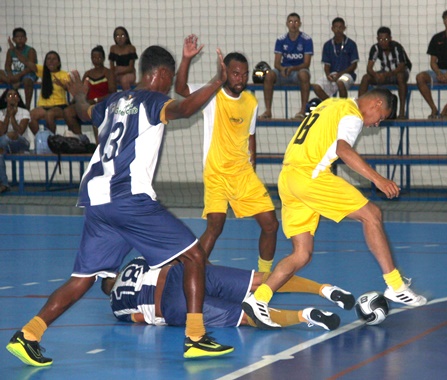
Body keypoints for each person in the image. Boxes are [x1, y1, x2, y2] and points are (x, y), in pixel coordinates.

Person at [5, 36, 235, 367]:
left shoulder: (114, 101)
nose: (169, 87)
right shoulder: (152, 101)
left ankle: (29, 334)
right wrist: (217, 80)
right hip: (128, 198)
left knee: (82, 279)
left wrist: (80, 93)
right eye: (169, 80)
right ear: (159, 75)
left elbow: (85, 112)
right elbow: (184, 108)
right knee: (195, 256)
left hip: (96, 200)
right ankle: (196, 337)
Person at [241, 88, 427, 329]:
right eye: (380, 118)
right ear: (377, 103)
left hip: (288, 178)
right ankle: (396, 286)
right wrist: (379, 180)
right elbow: (343, 150)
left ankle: (259, 299)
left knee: (302, 254)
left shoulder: (330, 104)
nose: (375, 124)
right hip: (311, 176)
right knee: (372, 215)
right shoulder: (352, 114)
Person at [175, 44, 278, 273]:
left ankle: (265, 275)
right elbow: (180, 88)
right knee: (215, 226)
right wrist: (186, 58)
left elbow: (251, 136)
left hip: (243, 174)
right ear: (225, 73)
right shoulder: (211, 95)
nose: (240, 78)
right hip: (217, 174)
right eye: (235, 73)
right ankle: (190, 274)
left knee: (271, 225)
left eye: (244, 73)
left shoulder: (251, 102)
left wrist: (253, 166)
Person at [103, 256, 356, 331]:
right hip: (184, 275)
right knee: (259, 280)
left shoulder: (116, 305)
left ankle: (305, 316)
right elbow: (172, 258)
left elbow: (141, 319)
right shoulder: (133, 263)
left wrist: (164, 319)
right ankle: (325, 289)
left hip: (171, 305)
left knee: (246, 317)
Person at [259, 12, 313, 120]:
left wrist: (293, 68)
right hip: (283, 72)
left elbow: (306, 64)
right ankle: (268, 111)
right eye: (291, 21)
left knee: (304, 75)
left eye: (296, 22)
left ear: (300, 24)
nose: (293, 24)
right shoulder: (281, 39)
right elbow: (276, 63)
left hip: (298, 71)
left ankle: (302, 111)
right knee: (269, 75)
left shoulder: (307, 40)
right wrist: (282, 69)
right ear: (287, 24)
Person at [63, 45, 117, 140]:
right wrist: (76, 100)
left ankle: (99, 147)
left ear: (103, 58)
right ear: (91, 59)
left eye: (99, 57)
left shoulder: (108, 73)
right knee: (68, 111)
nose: (96, 59)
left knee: (95, 113)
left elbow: (113, 93)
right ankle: (81, 139)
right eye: (94, 57)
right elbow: (81, 91)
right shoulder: (88, 74)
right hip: (87, 105)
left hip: (102, 105)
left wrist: (96, 100)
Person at [358, 26, 412, 119]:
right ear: (377, 39)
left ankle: (402, 111)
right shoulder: (375, 48)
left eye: (386, 39)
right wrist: (377, 75)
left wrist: (387, 74)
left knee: (400, 76)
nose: (383, 42)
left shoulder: (397, 47)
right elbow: (369, 68)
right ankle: (360, 109)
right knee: (365, 78)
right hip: (385, 73)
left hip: (399, 73)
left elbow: (402, 66)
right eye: (381, 39)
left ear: (390, 38)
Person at [18, 51, 70, 135]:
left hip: (60, 106)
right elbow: (26, 62)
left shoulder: (64, 74)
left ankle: (52, 140)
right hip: (44, 107)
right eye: (48, 59)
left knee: (49, 115)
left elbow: (70, 88)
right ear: (45, 62)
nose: (51, 61)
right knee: (29, 116)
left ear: (59, 62)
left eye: (54, 59)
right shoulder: (43, 71)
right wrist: (14, 49)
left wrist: (61, 84)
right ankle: (42, 139)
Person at [312, 17, 359, 101]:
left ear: (344, 28)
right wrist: (328, 75)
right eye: (336, 27)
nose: (338, 30)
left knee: (340, 83)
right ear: (332, 29)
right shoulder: (327, 45)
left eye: (340, 27)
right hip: (333, 75)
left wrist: (340, 74)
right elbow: (326, 66)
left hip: (347, 75)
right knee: (316, 86)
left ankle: (342, 108)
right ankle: (331, 105)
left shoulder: (351, 44)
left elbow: (354, 65)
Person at [0, 88, 30, 194]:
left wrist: (12, 116)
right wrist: (7, 115)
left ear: (18, 99)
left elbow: (20, 132)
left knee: (12, 135)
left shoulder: (24, 112)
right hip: (5, 144)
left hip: (22, 143)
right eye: (9, 95)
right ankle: (4, 184)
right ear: (5, 99)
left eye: (15, 95)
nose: (12, 97)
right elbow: (1, 132)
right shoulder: (1, 113)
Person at [3, 28, 38, 109]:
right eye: (17, 37)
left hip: (28, 73)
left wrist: (18, 77)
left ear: (26, 39)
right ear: (13, 39)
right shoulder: (10, 51)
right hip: (16, 73)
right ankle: (12, 82)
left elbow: (31, 68)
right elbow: (7, 66)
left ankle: (27, 106)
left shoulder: (30, 50)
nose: (20, 39)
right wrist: (11, 76)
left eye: (22, 37)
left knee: (27, 81)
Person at [109, 26, 138, 90]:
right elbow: (111, 67)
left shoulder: (131, 48)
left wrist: (119, 72)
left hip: (129, 74)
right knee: (108, 80)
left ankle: (128, 98)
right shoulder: (113, 48)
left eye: (122, 35)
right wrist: (112, 75)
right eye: (117, 36)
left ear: (126, 37)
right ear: (114, 38)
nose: (120, 38)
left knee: (124, 80)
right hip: (117, 73)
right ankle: (113, 98)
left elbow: (131, 68)